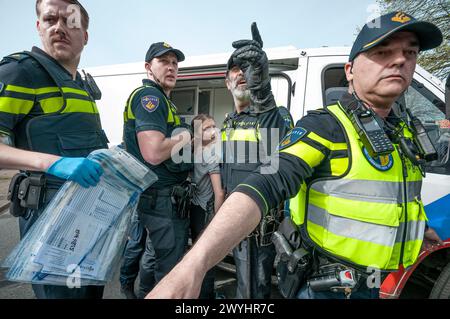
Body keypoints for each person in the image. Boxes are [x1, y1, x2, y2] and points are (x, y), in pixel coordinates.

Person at [147, 12, 444, 299]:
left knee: (257, 287)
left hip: (287, 239)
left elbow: (395, 193)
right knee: (243, 287)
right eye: (382, 52)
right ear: (350, 70)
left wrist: (420, 229)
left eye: (410, 52)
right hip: (316, 275)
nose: (400, 60)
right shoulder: (316, 126)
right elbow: (264, 177)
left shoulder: (399, 130)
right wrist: (195, 259)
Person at [0, 0, 107, 299]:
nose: (59, 27)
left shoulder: (83, 86)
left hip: (89, 217)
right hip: (49, 218)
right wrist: (52, 163)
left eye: (70, 21)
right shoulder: (19, 72)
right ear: (39, 27)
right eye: (50, 19)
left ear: (84, 35)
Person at [220, 23, 289, 299]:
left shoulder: (274, 114)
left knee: (254, 290)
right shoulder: (228, 122)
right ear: (227, 82)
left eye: (246, 69)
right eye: (235, 71)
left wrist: (262, 90)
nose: (241, 75)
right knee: (243, 285)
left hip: (260, 227)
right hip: (234, 222)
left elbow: (278, 152)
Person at [122, 42, 193, 298]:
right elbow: (154, 152)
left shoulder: (165, 100)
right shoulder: (149, 98)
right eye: (164, 61)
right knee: (170, 269)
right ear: (148, 67)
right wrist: (189, 138)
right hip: (161, 199)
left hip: (164, 198)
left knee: (157, 258)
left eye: (175, 63)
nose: (172, 67)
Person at [190, 114, 225, 299]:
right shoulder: (211, 154)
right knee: (208, 257)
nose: (213, 130)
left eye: (214, 126)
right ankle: (207, 296)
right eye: (207, 128)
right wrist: (217, 221)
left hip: (195, 208)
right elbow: (218, 192)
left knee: (197, 254)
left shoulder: (193, 149)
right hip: (207, 211)